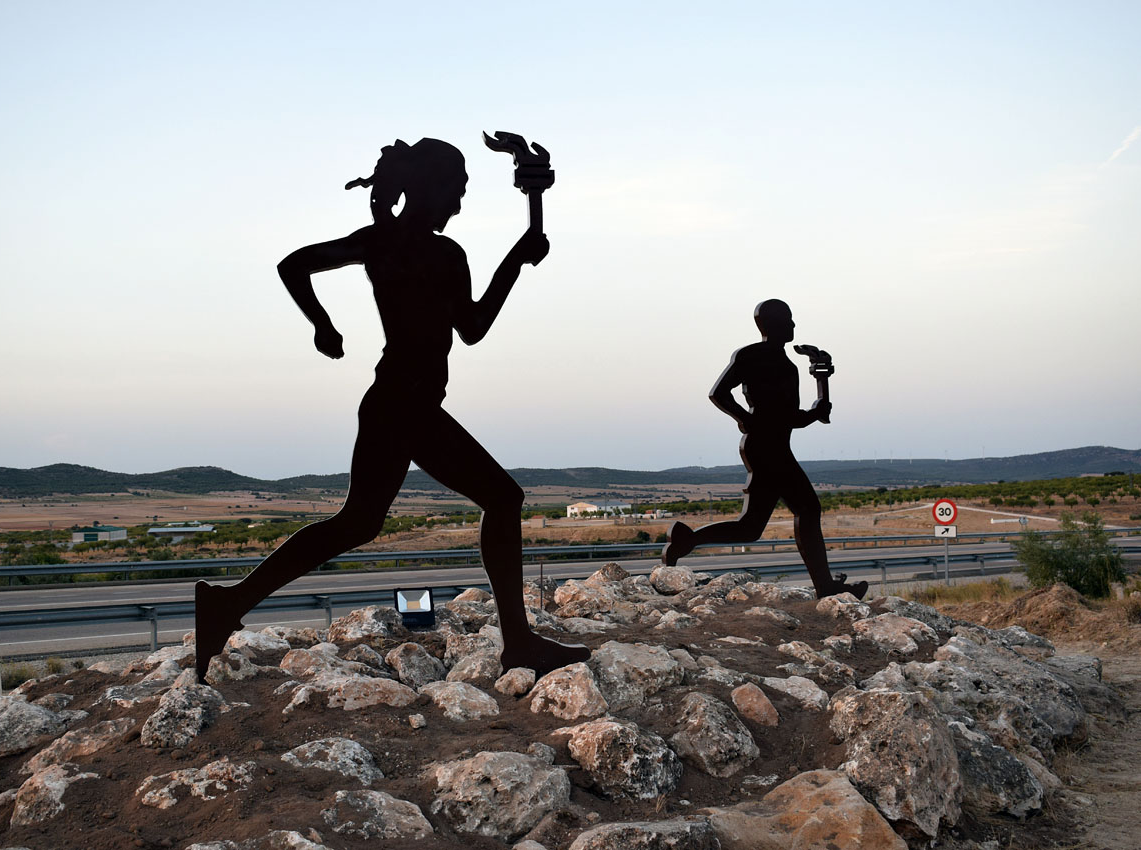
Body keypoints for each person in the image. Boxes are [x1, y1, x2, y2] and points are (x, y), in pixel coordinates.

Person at [194, 138, 590, 680]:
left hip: (397, 404)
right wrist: (322, 323)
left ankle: (227, 603)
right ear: (431, 189)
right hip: (404, 405)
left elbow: (297, 268)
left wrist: (517, 258)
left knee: (357, 523)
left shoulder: (387, 243)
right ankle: (518, 643)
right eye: (455, 193)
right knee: (502, 498)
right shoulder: (434, 252)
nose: (457, 206)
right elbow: (472, 329)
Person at [662, 299, 868, 600]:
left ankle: (687, 539)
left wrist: (820, 388)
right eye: (789, 320)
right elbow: (718, 393)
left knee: (756, 526)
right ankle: (825, 587)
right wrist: (746, 420)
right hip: (765, 448)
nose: (794, 326)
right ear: (771, 325)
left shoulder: (788, 366)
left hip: (776, 446)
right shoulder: (751, 355)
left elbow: (790, 417)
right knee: (801, 511)